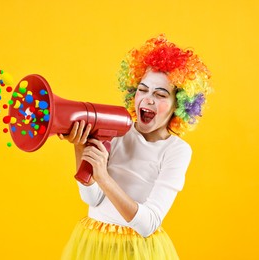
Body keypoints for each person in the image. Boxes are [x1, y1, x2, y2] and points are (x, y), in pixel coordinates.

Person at [59, 35, 212, 259]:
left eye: (160, 94)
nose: (148, 99)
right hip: (94, 243)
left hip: (137, 251)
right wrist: (80, 149)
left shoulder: (176, 151)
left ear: (178, 105)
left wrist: (103, 177)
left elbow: (147, 224)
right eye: (143, 89)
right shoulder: (118, 130)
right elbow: (92, 199)